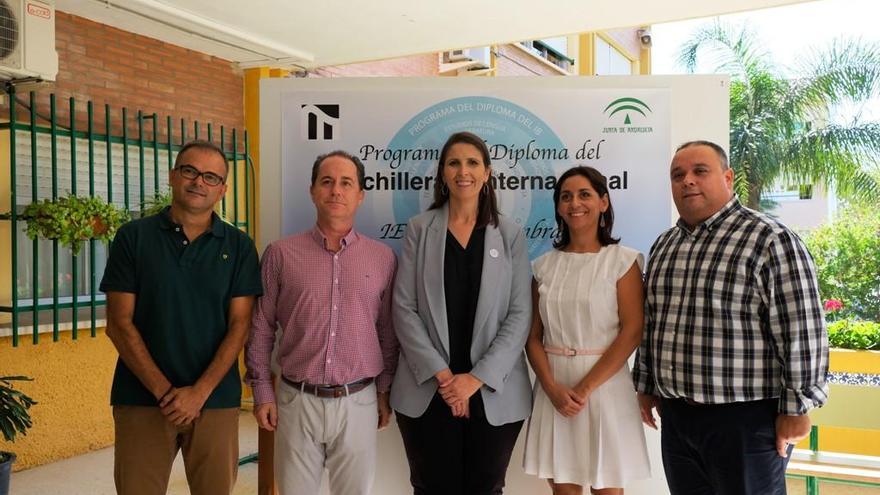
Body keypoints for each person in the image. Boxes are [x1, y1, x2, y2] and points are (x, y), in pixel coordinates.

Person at [633, 140, 829, 495]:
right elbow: (654, 322)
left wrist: (798, 406)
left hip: (746, 421)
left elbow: (802, 330)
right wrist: (646, 386)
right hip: (678, 418)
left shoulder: (770, 239)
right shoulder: (665, 245)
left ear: (728, 177)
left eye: (700, 171)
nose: (687, 181)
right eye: (678, 175)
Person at [101, 139, 263, 495]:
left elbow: (240, 326)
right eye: (190, 171)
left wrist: (199, 393)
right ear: (173, 175)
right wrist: (166, 394)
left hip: (215, 401)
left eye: (210, 176)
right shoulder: (133, 237)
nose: (198, 182)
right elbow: (118, 323)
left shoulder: (238, 247)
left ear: (222, 188)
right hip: (142, 398)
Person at [245, 150, 398, 495]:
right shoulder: (280, 254)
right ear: (313, 190)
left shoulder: (383, 258)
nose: (336, 191)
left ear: (360, 195)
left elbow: (388, 331)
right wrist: (262, 391)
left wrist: (385, 391)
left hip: (359, 399)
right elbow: (261, 326)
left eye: (346, 183)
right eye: (326, 182)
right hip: (296, 400)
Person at [391, 131, 532, 495]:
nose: (462, 171)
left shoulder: (511, 234)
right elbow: (403, 308)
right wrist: (446, 378)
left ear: (487, 173)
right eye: (453, 162)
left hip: (492, 391)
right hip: (429, 388)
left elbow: (519, 315)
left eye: (472, 162)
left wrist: (473, 380)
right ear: (442, 173)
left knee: (486, 488)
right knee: (431, 488)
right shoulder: (419, 230)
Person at [523, 166, 651, 495]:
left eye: (584, 195)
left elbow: (632, 331)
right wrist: (551, 388)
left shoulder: (622, 261)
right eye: (566, 197)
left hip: (605, 388)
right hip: (554, 388)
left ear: (603, 203)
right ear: (558, 208)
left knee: (607, 489)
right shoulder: (542, 266)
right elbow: (532, 337)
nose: (574, 203)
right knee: (564, 491)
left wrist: (584, 388)